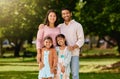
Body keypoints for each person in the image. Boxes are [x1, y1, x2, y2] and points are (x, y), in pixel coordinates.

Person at [58, 7, 84, 79]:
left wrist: (73, 47)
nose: (65, 15)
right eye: (63, 14)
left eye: (67, 13)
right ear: (62, 15)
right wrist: (42, 26)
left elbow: (81, 39)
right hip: (63, 55)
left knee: (75, 74)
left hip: (74, 54)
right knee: (63, 74)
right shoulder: (60, 26)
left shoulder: (77, 25)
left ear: (71, 14)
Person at [36, 9, 60, 79]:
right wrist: (39, 53)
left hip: (55, 52)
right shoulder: (43, 27)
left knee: (53, 73)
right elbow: (38, 40)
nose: (52, 17)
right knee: (43, 72)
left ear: (56, 17)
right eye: (51, 16)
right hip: (45, 53)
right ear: (47, 17)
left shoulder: (58, 28)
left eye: (54, 16)